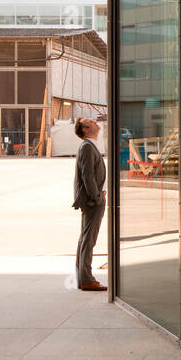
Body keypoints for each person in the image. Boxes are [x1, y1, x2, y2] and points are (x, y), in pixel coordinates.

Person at [72, 116, 107, 291]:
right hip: (93, 201)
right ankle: (86, 279)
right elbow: (87, 176)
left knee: (85, 239)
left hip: (92, 199)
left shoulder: (89, 146)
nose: (95, 122)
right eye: (90, 122)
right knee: (88, 240)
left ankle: (82, 277)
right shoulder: (86, 147)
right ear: (84, 129)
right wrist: (97, 197)